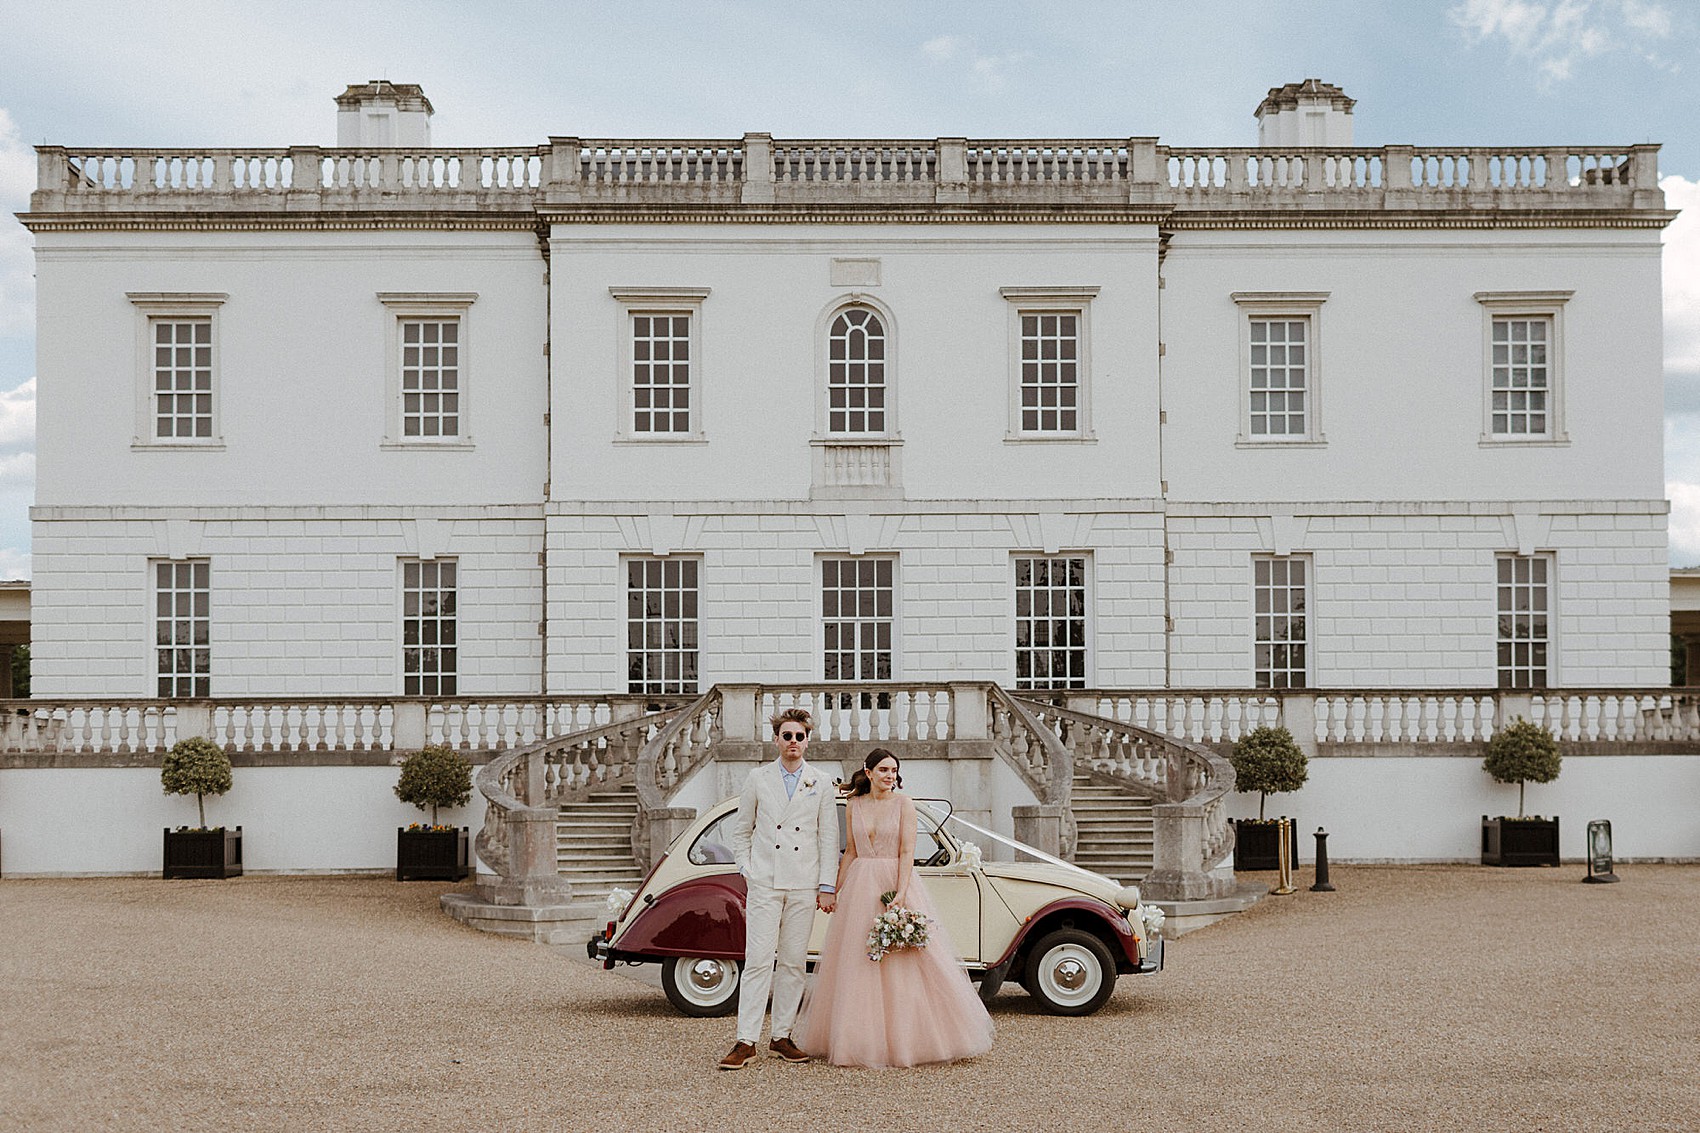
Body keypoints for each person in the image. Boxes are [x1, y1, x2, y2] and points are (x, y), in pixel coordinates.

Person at [793, 749, 994, 1068]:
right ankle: (859, 1039)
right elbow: (851, 852)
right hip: (860, 885)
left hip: (895, 883)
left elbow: (906, 851)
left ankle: (911, 1039)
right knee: (859, 962)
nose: (890, 775)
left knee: (903, 961)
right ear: (868, 772)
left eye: (894, 770)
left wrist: (900, 894)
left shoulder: (904, 803)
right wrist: (832, 890)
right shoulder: (854, 805)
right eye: (884, 769)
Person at [719, 708, 838, 1070]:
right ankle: (745, 1039)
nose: (793, 743)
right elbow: (741, 830)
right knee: (757, 960)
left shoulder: (820, 781)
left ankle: (782, 1035)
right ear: (776, 739)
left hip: (803, 883)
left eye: (799, 737)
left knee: (792, 963)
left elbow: (830, 837)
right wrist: (747, 869)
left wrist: (827, 885)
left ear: (807, 740)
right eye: (787, 736)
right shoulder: (758, 778)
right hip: (765, 881)